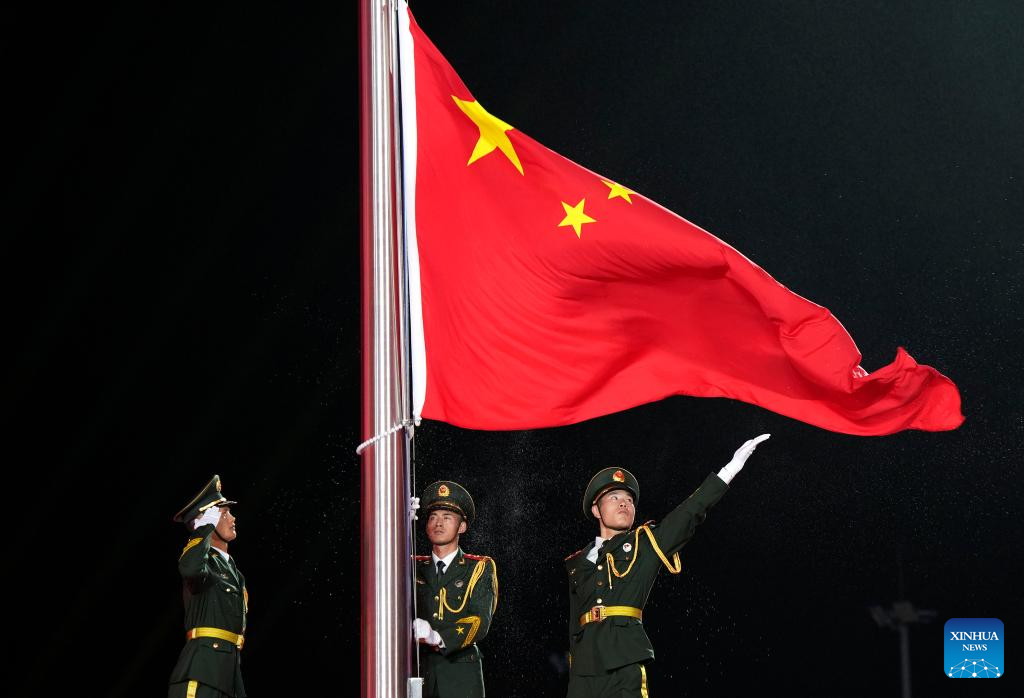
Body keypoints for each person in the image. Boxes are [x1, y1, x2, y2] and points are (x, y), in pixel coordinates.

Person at [565, 435, 770, 697]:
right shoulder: (576, 563)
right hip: (583, 672)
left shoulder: (645, 544)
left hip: (623, 663)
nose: (624, 503)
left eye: (629, 500)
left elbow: (687, 515)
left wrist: (730, 470)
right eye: (614, 497)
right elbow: (575, 623)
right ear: (596, 510)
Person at [413, 481, 499, 698]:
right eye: (433, 517)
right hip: (419, 672)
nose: (438, 523)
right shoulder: (411, 566)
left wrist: (437, 637)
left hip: (460, 677)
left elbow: (479, 620)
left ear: (462, 527)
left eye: (447, 517)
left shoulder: (478, 568)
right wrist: (399, 524)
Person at [168, 475, 248, 698]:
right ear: (206, 521)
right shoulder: (202, 564)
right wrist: (201, 531)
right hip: (202, 672)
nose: (233, 518)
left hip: (228, 677)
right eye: (224, 513)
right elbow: (190, 569)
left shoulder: (232, 570)